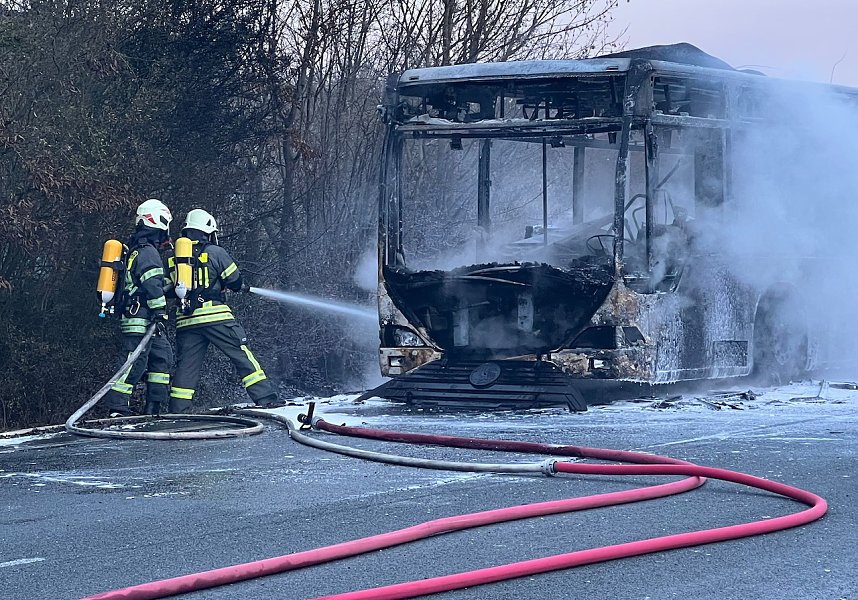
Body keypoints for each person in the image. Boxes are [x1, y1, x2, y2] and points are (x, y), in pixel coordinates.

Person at [168, 209, 279, 412]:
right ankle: (266, 398)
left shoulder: (174, 256)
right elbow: (235, 281)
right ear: (208, 231)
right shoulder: (215, 252)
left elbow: (169, 288)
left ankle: (178, 408)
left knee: (186, 366)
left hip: (185, 320)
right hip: (215, 316)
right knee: (240, 352)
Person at [103, 199, 174, 417]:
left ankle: (153, 407)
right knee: (134, 362)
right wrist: (161, 311)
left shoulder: (139, 250)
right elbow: (152, 285)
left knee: (162, 357)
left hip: (147, 319)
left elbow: (154, 285)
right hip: (140, 318)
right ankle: (117, 408)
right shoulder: (147, 252)